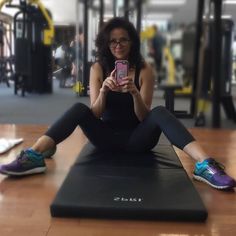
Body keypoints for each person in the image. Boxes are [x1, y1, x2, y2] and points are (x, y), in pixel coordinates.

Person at [0, 17, 235, 190]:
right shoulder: (97, 68)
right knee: (79, 108)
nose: (118, 45)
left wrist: (134, 94)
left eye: (123, 40)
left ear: (132, 42)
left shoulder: (144, 70)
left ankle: (205, 166)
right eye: (113, 42)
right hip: (105, 139)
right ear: (106, 44)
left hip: (138, 140)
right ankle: (34, 155)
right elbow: (95, 113)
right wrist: (102, 90)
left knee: (160, 111)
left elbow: (145, 118)